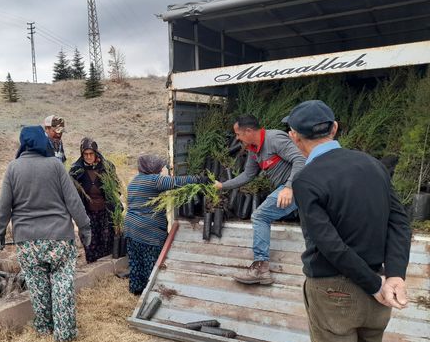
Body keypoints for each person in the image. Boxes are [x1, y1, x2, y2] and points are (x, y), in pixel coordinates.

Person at [286, 100, 411, 342]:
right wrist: (395, 276)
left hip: (335, 292)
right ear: (334, 128)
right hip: (379, 286)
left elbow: (330, 245)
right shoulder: (373, 165)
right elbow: (399, 221)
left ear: (294, 137)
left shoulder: (306, 180)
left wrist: (374, 284)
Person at [0, 125, 91, 342]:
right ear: (42, 142)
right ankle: (64, 334)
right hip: (59, 239)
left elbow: (3, 206)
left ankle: (45, 328)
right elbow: (73, 201)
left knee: (37, 287)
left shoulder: (13, 168)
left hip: (27, 242)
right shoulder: (55, 166)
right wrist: (85, 227)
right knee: (62, 284)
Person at [214, 115, 305, 285]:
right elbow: (248, 175)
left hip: (300, 185)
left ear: (248, 131)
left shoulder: (274, 138)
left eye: (238, 134)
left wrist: (289, 187)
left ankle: (261, 268)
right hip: (291, 188)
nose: (237, 138)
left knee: (260, 216)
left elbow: (300, 159)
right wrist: (222, 186)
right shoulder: (254, 150)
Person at [125, 155, 207, 295]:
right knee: (151, 260)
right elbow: (176, 182)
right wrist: (198, 179)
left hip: (131, 227)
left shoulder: (134, 181)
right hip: (148, 230)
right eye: (158, 167)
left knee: (136, 260)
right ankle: (151, 291)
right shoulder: (153, 180)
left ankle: (137, 289)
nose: (160, 170)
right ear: (151, 167)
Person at [69, 137, 121, 263]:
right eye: (85, 154)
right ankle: (93, 264)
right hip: (87, 212)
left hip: (105, 211)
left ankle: (106, 267)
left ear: (96, 153)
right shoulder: (76, 170)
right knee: (90, 241)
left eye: (91, 153)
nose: (88, 157)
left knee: (106, 239)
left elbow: (116, 188)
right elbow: (72, 193)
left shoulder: (107, 167)